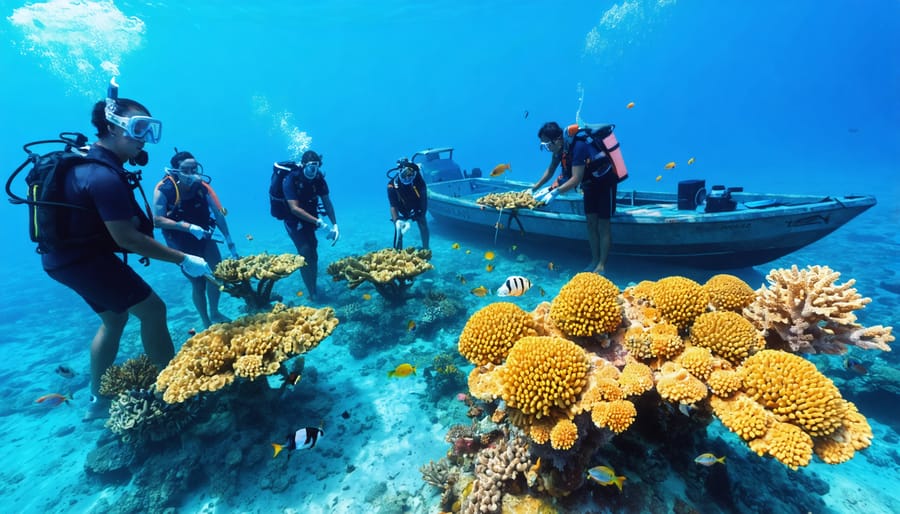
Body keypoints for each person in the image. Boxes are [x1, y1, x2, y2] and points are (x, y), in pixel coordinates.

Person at [40, 81, 212, 420]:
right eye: (137, 128)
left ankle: (97, 399)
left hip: (63, 259)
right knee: (153, 310)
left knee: (114, 318)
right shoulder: (103, 176)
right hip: (84, 260)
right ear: (111, 126)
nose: (143, 137)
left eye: (149, 129)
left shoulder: (92, 164)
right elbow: (127, 239)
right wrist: (185, 258)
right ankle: (174, 390)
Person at [153, 150, 238, 327]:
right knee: (198, 282)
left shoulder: (202, 187)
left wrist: (230, 241)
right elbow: (157, 220)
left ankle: (215, 313)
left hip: (205, 235)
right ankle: (205, 321)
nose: (192, 173)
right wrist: (187, 227)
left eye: (195, 168)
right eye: (186, 169)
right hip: (180, 240)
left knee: (216, 274)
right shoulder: (165, 189)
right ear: (175, 170)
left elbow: (218, 213)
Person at [531, 121, 618, 274]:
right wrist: (534, 188)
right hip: (589, 185)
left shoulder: (578, 146)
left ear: (557, 139)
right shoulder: (560, 150)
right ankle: (594, 260)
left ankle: (601, 265)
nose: (547, 148)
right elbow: (550, 171)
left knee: (603, 224)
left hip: (604, 183)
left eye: (547, 145)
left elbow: (576, 178)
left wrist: (555, 192)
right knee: (591, 223)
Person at [282, 150, 339, 301]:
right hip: (293, 220)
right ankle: (311, 292)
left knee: (313, 251)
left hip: (311, 218)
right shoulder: (290, 179)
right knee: (305, 251)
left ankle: (313, 287)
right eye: (310, 167)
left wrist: (335, 225)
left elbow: (327, 202)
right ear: (303, 165)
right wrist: (319, 222)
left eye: (316, 166)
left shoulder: (319, 179)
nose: (314, 170)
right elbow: (294, 208)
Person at [387, 159, 429, 250]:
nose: (407, 178)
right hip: (402, 207)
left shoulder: (418, 180)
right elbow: (393, 206)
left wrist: (421, 214)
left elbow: (424, 198)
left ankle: (426, 249)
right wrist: (396, 220)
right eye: (405, 174)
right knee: (399, 229)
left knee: (423, 223)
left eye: (411, 174)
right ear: (400, 171)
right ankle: (399, 253)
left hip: (417, 206)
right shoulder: (391, 186)